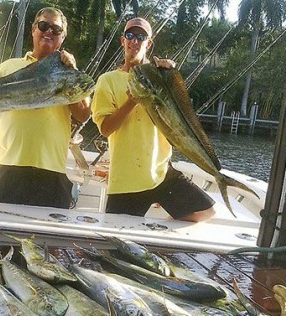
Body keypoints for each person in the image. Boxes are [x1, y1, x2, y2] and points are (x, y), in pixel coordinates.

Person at [91, 17, 215, 222]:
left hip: (160, 174)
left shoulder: (160, 76)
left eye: (141, 37)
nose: (135, 41)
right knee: (115, 236)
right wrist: (131, 102)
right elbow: (105, 129)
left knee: (206, 211)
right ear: (123, 40)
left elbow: (179, 112)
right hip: (126, 179)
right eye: (130, 35)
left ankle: (156, 233)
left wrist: (171, 75)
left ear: (149, 43)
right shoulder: (107, 80)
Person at [0, 7, 91, 208]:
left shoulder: (68, 72)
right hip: (8, 167)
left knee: (46, 239)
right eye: (43, 25)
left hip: (51, 172)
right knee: (1, 238)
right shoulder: (8, 67)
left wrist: (72, 71)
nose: (49, 32)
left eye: (56, 30)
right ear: (33, 29)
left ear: (62, 37)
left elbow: (83, 114)